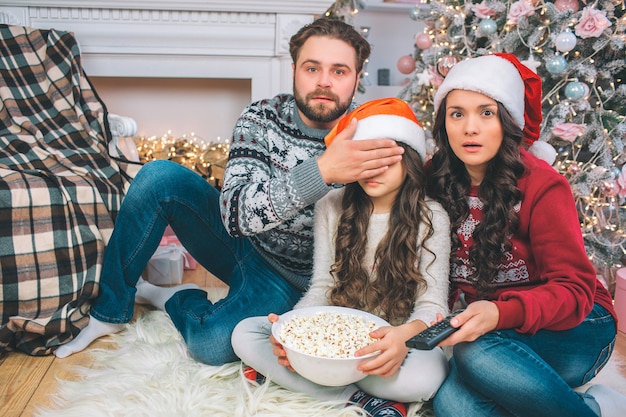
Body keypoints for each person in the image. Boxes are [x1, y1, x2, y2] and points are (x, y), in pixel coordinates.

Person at [54, 18, 407, 364]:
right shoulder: (262, 118)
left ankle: (172, 298)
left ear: (358, 78)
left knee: (211, 344)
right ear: (294, 69)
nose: (324, 82)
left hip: (308, 284)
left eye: (339, 72)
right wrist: (323, 171)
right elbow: (235, 215)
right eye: (312, 68)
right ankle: (110, 310)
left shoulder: (374, 133)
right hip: (245, 245)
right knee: (158, 176)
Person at [424, 53, 625, 417]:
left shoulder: (544, 186)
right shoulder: (433, 177)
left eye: (486, 113)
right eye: (457, 114)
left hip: (576, 327)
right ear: (443, 123)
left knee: (474, 354)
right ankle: (592, 407)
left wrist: (501, 315)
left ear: (507, 121)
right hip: (494, 333)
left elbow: (575, 292)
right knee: (454, 405)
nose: (470, 128)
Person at [232, 97, 452, 417]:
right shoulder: (332, 206)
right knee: (245, 334)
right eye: (365, 158)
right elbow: (322, 286)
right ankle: (359, 398)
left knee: (427, 376)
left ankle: (320, 385)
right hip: (336, 338)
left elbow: (433, 308)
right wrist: (295, 332)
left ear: (411, 162)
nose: (372, 170)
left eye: (386, 159)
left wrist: (402, 339)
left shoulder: (432, 217)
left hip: (393, 341)